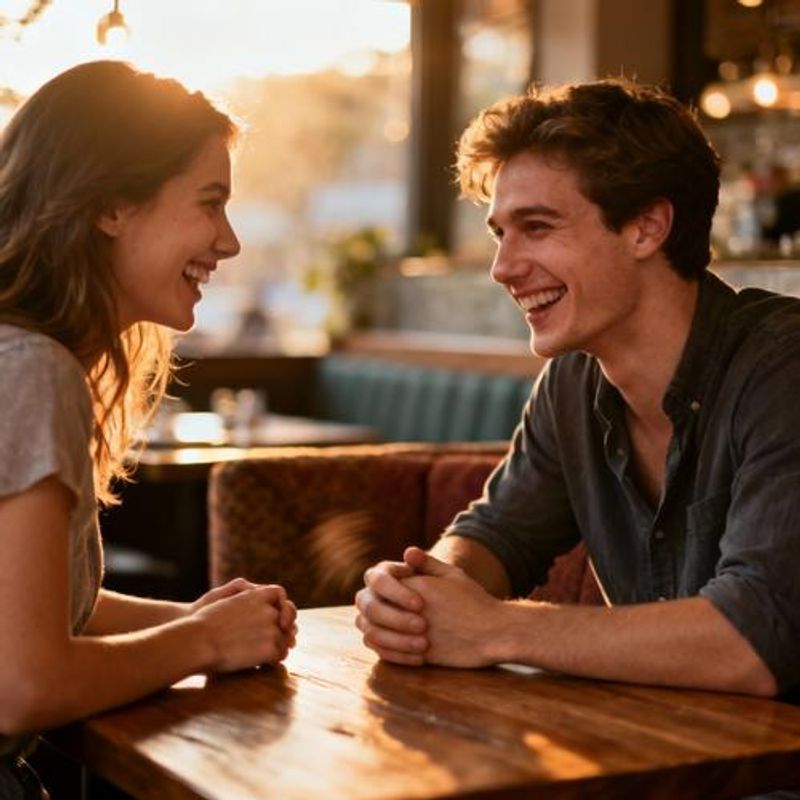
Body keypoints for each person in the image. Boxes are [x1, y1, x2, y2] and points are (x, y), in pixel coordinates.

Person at [355, 79, 800, 705]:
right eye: (499, 234)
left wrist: (494, 629)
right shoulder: (573, 379)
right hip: (667, 757)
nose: (503, 268)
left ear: (647, 227)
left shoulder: (783, 368)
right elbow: (498, 533)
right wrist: (422, 591)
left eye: (536, 227)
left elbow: (754, 643)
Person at [0, 61, 296, 797]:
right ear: (110, 205)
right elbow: (24, 683)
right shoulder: (31, 368)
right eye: (210, 202)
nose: (227, 242)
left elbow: (39, 602)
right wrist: (201, 641)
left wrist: (190, 620)